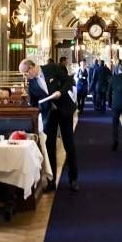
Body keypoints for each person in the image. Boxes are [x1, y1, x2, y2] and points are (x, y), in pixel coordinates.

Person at [20, 58, 79, 192]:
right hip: (49, 115)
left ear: (32, 68)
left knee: (69, 145)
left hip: (64, 110)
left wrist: (60, 92)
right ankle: (51, 181)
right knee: (49, 147)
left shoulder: (51, 68)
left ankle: (73, 179)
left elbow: (69, 81)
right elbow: (34, 104)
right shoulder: (32, 83)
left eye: (25, 73)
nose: (25, 76)